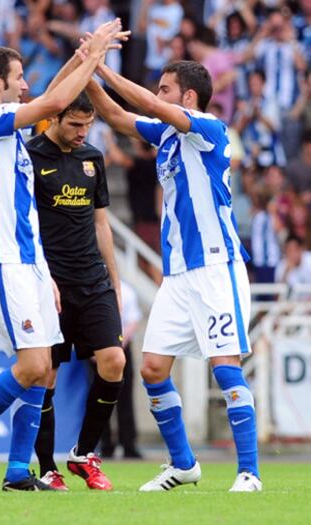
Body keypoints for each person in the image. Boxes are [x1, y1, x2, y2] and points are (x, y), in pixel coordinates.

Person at [0, 19, 126, 492]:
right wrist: (96, 53)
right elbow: (56, 101)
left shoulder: (9, 129)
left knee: (43, 370)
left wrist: (85, 57)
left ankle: (19, 472)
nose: (26, 85)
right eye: (19, 77)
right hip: (3, 260)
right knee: (29, 366)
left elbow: (53, 94)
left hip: (31, 261)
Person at [85, 59, 262, 492]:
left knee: (225, 367)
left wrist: (105, 70)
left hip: (216, 267)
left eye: (165, 89)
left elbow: (141, 102)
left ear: (187, 97)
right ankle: (183, 464)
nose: (157, 95)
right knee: (151, 368)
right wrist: (84, 73)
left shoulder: (208, 127)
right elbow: (114, 115)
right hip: (178, 275)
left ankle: (249, 473)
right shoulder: (166, 135)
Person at [25, 91, 125, 491]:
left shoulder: (92, 159)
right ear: (54, 118)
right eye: (75, 125)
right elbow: (25, 224)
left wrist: (115, 280)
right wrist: (40, 275)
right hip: (51, 281)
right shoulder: (31, 157)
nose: (83, 132)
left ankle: (83, 454)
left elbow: (101, 224)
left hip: (93, 280)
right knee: (45, 375)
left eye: (89, 125)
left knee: (114, 361)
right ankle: (47, 467)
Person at [99, 279, 143, 459]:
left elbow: (133, 321)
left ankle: (129, 444)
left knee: (125, 398)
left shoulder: (125, 290)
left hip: (120, 347)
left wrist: (115, 347)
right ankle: (104, 444)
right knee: (99, 399)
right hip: (97, 350)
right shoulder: (91, 288)